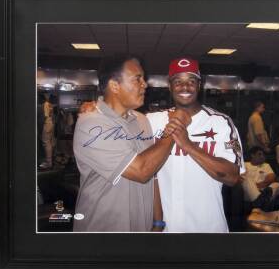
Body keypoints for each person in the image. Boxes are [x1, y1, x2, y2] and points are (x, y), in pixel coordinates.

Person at [72, 56, 190, 232]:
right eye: (138, 78)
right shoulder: (91, 124)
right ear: (114, 86)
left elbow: (152, 174)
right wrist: (174, 128)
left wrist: (158, 221)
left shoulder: (142, 120)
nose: (145, 84)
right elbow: (142, 170)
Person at [146, 57, 245, 232]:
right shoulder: (151, 121)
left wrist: (188, 145)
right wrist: (95, 107)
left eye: (191, 81)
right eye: (178, 82)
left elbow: (232, 177)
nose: (185, 87)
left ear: (199, 85)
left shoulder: (222, 123)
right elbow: (120, 120)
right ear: (170, 86)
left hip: (208, 229)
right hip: (166, 229)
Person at [39, 93, 55, 169]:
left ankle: (49, 163)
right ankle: (49, 161)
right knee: (49, 143)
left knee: (46, 143)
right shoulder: (50, 104)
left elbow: (45, 116)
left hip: (47, 124)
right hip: (51, 123)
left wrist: (40, 126)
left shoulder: (45, 104)